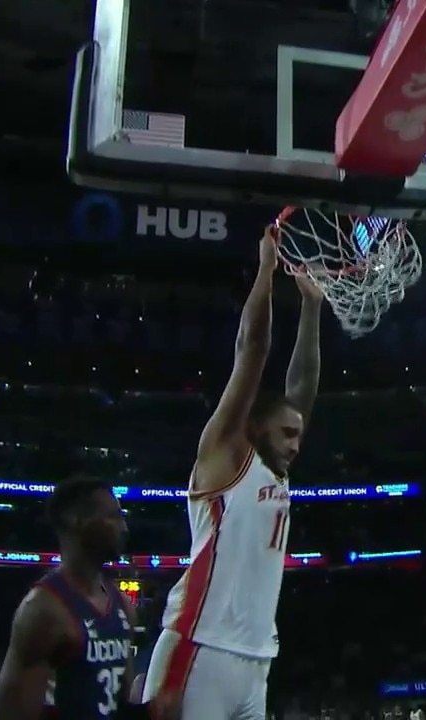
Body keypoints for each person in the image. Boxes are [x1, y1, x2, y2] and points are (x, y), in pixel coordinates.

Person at [142, 225, 325, 720]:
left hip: (257, 658)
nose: (295, 443)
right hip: (199, 646)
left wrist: (311, 304)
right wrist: (266, 267)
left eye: (298, 434)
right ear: (258, 426)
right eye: (287, 432)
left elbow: (303, 384)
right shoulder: (226, 455)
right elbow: (253, 346)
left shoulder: (276, 467)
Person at [0, 475, 139, 720]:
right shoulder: (43, 610)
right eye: (113, 516)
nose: (123, 527)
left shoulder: (123, 605)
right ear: (76, 521)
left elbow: (120, 708)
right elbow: (12, 713)